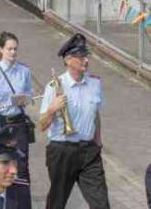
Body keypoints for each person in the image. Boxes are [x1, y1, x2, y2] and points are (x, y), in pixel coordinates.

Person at [38, 33, 109, 209]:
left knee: (101, 203)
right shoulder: (53, 86)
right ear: (69, 59)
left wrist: (98, 141)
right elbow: (42, 125)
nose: (86, 60)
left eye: (87, 55)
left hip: (89, 151)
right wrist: (52, 109)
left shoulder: (95, 83)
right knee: (57, 202)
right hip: (62, 151)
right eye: (81, 56)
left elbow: (95, 114)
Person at [0, 31, 33, 208]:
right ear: (1, 50)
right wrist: (1, 105)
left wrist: (24, 99)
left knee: (22, 166)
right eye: (9, 49)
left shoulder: (23, 71)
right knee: (2, 165)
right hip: (1, 124)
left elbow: (28, 95)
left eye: (15, 49)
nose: (13, 53)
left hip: (18, 123)